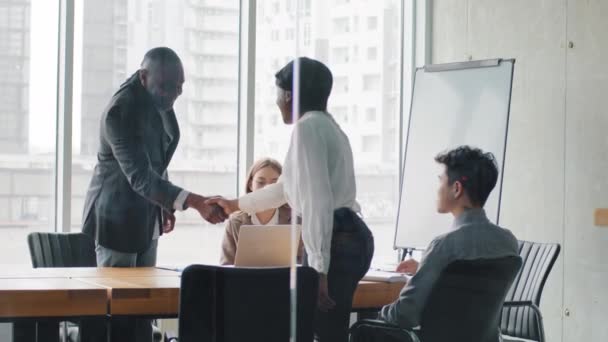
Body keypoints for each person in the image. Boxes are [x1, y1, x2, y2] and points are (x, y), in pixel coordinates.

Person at [207, 57, 374, 342]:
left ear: (289, 95)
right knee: (328, 330)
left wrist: (319, 270)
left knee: (323, 332)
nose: (276, 102)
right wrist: (235, 204)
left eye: (277, 94)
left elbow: (317, 202)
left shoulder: (306, 129)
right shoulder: (328, 127)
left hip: (336, 237)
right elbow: (285, 190)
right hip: (351, 234)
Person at [81, 47, 226, 342]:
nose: (174, 95)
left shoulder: (158, 97)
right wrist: (195, 202)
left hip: (147, 218)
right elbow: (139, 175)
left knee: (143, 310)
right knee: (119, 312)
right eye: (167, 87)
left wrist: (164, 205)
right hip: (115, 221)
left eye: (179, 87)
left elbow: (156, 160)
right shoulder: (121, 110)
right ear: (144, 76)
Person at [379, 146, 519, 330]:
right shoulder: (508, 242)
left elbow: (405, 316)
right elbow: (468, 289)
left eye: (441, 181)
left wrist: (379, 312)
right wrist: (427, 268)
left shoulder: (443, 246)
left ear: (456, 188)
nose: (437, 189)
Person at [220, 157, 302, 265]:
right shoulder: (235, 222)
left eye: (274, 185)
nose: (266, 189)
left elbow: (302, 263)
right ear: (250, 185)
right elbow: (226, 265)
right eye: (260, 182)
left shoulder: (296, 220)